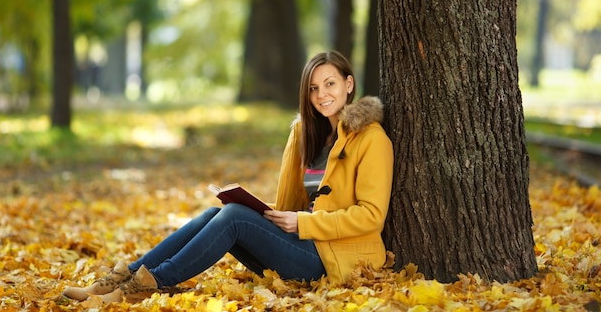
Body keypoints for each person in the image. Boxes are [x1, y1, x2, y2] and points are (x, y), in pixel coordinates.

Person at [62, 50, 394, 303]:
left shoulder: (371, 139)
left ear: (349, 85)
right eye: (313, 88)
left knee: (234, 217)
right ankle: (123, 277)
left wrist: (302, 224)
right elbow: (295, 205)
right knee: (218, 213)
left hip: (332, 260)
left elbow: (371, 216)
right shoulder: (306, 135)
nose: (322, 94)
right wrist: (268, 213)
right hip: (301, 243)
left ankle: (146, 286)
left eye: (330, 84)